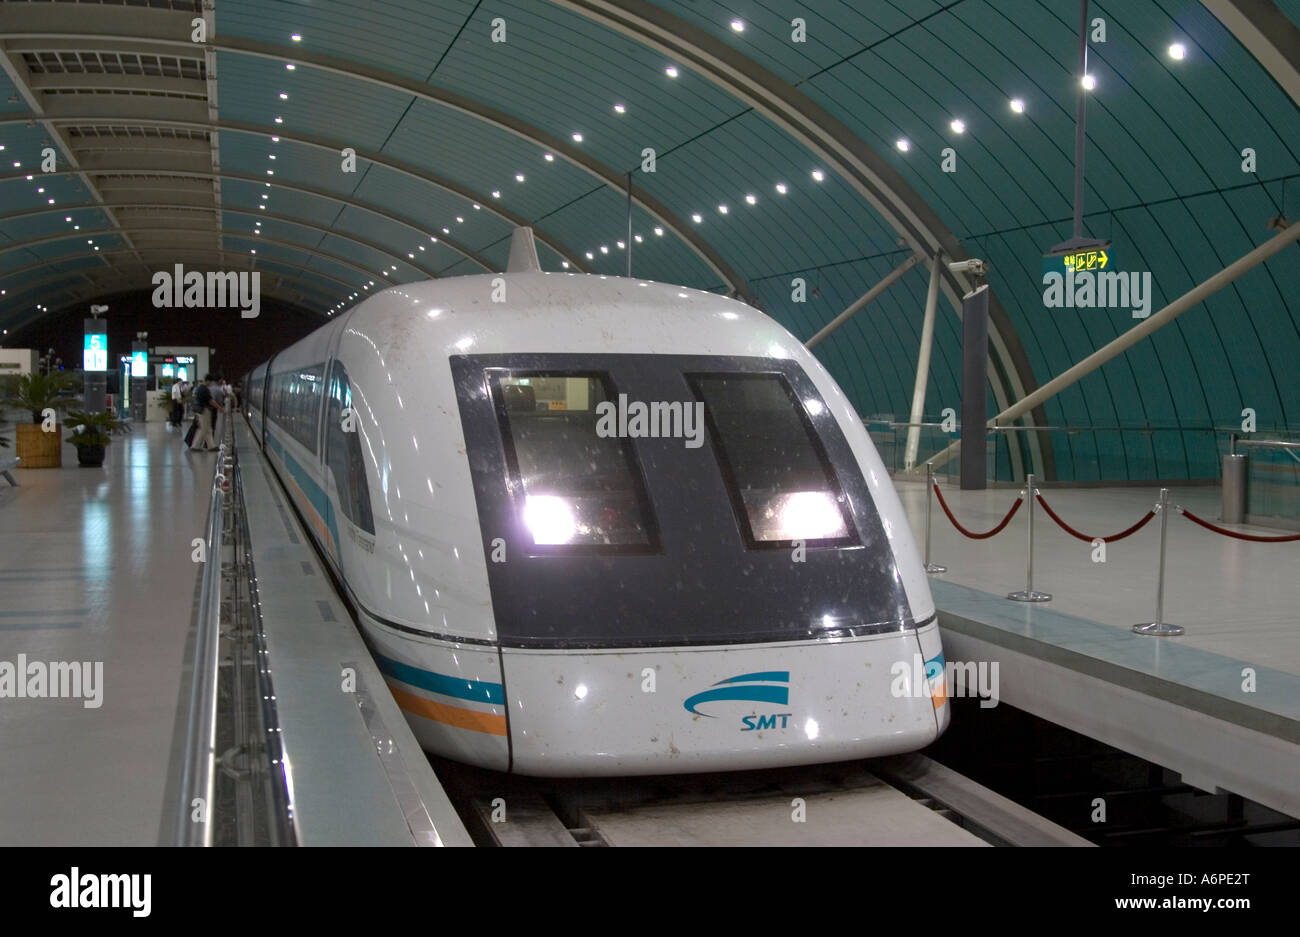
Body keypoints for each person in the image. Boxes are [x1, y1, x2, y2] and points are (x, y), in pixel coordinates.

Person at [190, 375, 217, 451]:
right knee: (206, 428)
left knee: (204, 428)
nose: (211, 384)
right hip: (204, 410)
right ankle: (208, 446)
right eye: (210, 382)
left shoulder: (199, 388)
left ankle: (198, 446)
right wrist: (220, 408)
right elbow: (210, 401)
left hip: (200, 410)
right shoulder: (204, 389)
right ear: (208, 381)